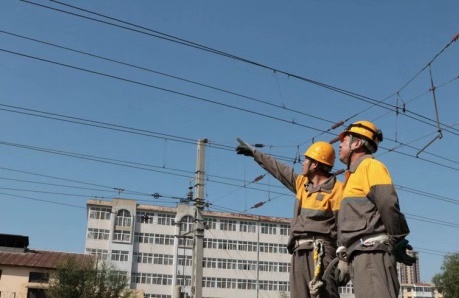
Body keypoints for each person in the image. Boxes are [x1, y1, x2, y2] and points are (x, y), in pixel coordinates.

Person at [236, 139, 343, 298]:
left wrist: (343, 259)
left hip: (321, 252)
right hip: (298, 252)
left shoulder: (338, 190)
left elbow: (343, 226)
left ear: (315, 164)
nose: (303, 163)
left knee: (325, 294)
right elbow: (278, 169)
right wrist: (255, 153)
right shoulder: (301, 184)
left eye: (306, 159)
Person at [336, 120, 416, 298]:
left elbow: (388, 202)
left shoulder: (371, 166)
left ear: (356, 143)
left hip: (371, 253)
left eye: (345, 139)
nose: (340, 144)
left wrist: (396, 239)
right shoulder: (353, 176)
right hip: (362, 254)